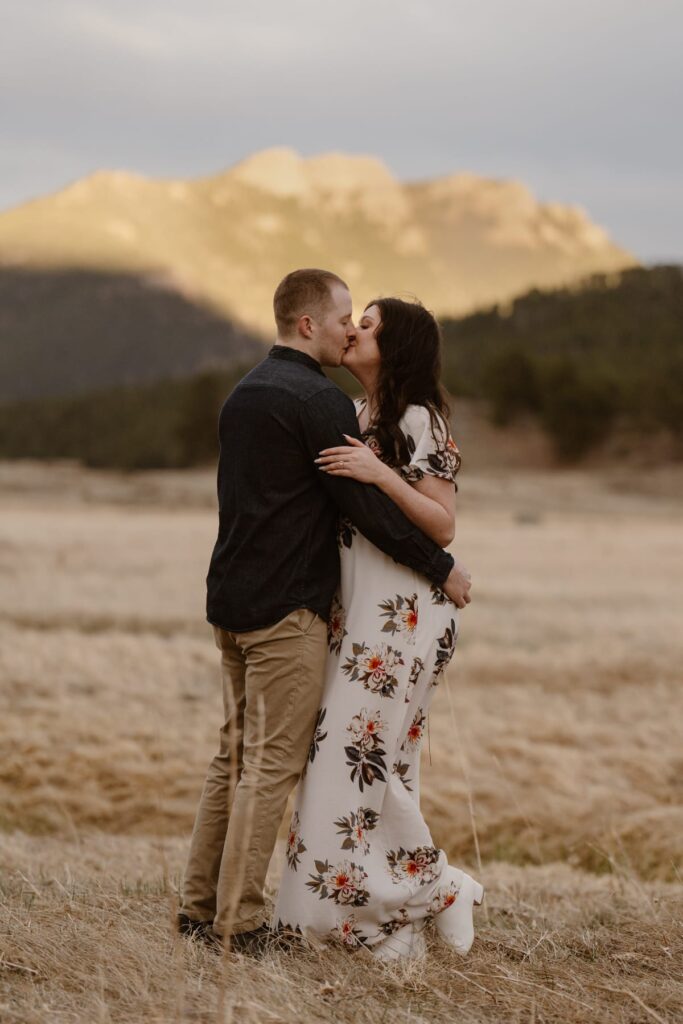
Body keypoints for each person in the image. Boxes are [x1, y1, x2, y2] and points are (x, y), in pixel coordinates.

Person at [177, 269, 472, 956]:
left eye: (363, 323)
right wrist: (444, 570)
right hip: (289, 612)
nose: (350, 328)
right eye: (346, 317)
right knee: (273, 764)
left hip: (234, 603)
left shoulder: (245, 392)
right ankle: (241, 923)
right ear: (309, 325)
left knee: (236, 759)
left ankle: (199, 909)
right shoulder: (323, 403)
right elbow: (365, 511)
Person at [274, 297, 483, 960]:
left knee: (356, 758)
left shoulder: (419, 418)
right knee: (368, 763)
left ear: (395, 349)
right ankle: (390, 908)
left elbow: (442, 525)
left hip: (404, 614)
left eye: (368, 326)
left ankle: (425, 891)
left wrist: (377, 474)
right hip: (359, 610)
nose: (353, 331)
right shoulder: (361, 414)